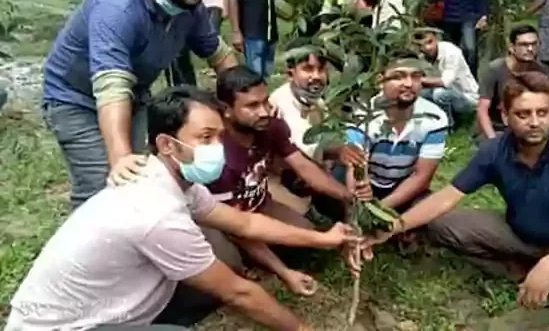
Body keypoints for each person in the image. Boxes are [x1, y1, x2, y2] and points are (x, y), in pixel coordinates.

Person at [5, 86, 357, 331]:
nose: (217, 147)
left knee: (213, 279)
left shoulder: (175, 180)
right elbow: (239, 292)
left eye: (220, 136)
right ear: (166, 144)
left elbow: (245, 224)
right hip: (64, 327)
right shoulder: (155, 212)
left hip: (98, 302)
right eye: (205, 137)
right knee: (224, 285)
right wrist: (301, 328)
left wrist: (324, 238)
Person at [363, 71, 549, 311]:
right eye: (523, 114)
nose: (535, 122)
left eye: (542, 113)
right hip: (516, 233)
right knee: (440, 224)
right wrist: (393, 226)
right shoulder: (495, 150)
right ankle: (523, 270)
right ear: (505, 116)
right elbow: (447, 196)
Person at [41, 0, 237, 209]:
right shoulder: (117, 7)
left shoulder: (189, 5)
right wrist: (120, 157)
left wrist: (249, 100)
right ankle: (87, 249)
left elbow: (220, 57)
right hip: (75, 100)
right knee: (106, 186)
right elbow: (112, 88)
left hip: (134, 95)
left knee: (146, 176)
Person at [203, 66, 371, 296]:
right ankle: (240, 262)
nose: (263, 111)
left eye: (264, 101)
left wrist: (348, 196)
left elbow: (303, 166)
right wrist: (284, 272)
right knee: (229, 261)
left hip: (261, 205)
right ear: (226, 110)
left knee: (306, 241)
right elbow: (237, 227)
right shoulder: (217, 156)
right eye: (252, 106)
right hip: (224, 221)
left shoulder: (269, 127)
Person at [336, 54, 449, 217]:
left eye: (415, 76)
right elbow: (356, 167)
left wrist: (379, 209)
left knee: (434, 209)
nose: (409, 84)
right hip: (368, 183)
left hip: (403, 185)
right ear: (380, 80)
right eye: (399, 76)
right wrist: (362, 197)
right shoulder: (362, 114)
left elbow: (421, 176)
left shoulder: (434, 118)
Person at [476, 24, 549, 142]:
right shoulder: (494, 70)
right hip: (498, 128)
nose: (530, 49)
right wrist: (492, 138)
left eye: (534, 44)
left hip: (530, 124)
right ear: (511, 47)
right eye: (524, 45)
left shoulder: (541, 71)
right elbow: (482, 109)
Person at [418, 30, 479, 129]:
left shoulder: (451, 52)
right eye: (422, 45)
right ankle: (430, 123)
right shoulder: (421, 56)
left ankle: (448, 126)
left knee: (439, 93)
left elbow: (445, 82)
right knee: (416, 92)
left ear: (436, 39)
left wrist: (418, 79)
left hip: (467, 97)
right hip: (444, 93)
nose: (427, 48)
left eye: (430, 42)